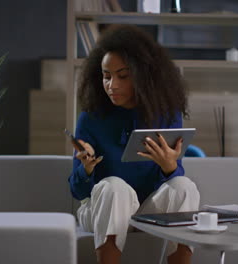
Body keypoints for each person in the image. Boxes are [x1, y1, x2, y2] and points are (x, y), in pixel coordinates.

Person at [68, 25, 200, 264]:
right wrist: (86, 169)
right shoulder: (91, 118)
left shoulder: (167, 115)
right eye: (106, 76)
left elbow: (173, 185)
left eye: (123, 76)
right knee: (115, 187)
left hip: (146, 209)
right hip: (100, 208)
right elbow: (77, 191)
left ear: (142, 76)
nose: (112, 85)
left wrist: (170, 167)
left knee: (184, 186)